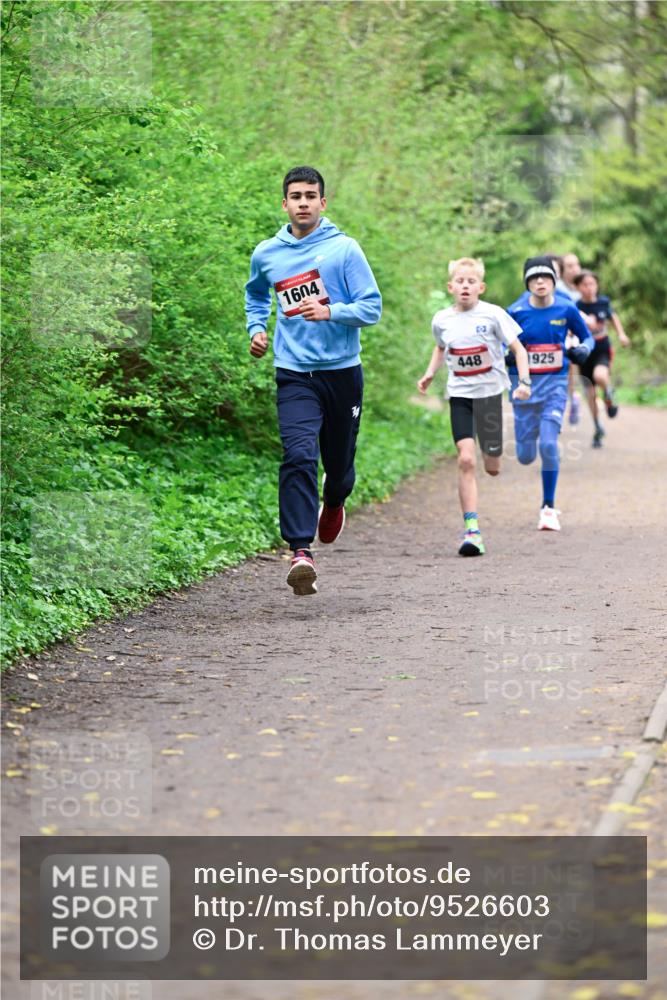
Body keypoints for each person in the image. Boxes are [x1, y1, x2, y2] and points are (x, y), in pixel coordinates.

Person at [245, 166, 382, 596]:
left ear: (324, 202)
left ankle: (336, 498)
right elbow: (255, 294)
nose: (303, 202)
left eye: (310, 195)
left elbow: (372, 308)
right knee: (298, 454)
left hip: (342, 372)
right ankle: (300, 550)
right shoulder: (267, 252)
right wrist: (256, 329)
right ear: (283, 203)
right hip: (294, 372)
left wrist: (332, 312)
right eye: (295, 196)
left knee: (338, 467)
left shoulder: (344, 250)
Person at [417, 257, 531, 556]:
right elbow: (441, 346)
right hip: (460, 396)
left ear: (480, 287)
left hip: (490, 395)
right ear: (450, 287)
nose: (465, 287)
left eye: (471, 282)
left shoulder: (493, 315)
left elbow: (518, 349)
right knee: (465, 459)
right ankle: (472, 530)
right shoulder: (442, 319)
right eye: (460, 282)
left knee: (491, 467)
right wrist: (430, 372)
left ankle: (492, 453)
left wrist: (525, 382)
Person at [507, 256, 594, 531]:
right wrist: (506, 356)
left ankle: (548, 507)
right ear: (527, 283)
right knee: (524, 455)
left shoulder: (567, 309)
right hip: (524, 389)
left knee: (548, 445)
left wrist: (584, 349)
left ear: (554, 281)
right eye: (534, 278)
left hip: (555, 386)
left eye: (545, 277)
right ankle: (526, 436)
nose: (540, 282)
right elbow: (499, 344)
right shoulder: (515, 311)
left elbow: (587, 337)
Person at [573, 270, 631, 447]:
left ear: (596, 286)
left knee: (600, 376)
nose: (589, 288)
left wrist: (621, 334)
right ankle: (598, 427)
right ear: (577, 287)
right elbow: (570, 327)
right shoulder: (575, 307)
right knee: (590, 394)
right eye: (585, 285)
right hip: (584, 354)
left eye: (592, 284)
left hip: (602, 350)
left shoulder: (603, 302)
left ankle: (609, 395)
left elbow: (613, 317)